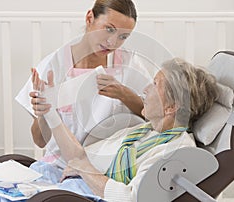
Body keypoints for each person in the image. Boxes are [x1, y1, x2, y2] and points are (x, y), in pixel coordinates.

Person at [0, 58, 218, 201]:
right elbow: (79, 158)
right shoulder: (143, 133)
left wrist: (83, 168)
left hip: (71, 196)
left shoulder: (175, 150)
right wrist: (50, 111)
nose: (145, 90)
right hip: (58, 182)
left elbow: (128, 198)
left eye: (155, 84)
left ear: (172, 106)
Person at [15, 0, 154, 170]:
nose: (112, 42)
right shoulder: (52, 67)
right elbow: (40, 141)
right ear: (90, 18)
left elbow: (154, 118)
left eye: (122, 37)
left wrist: (123, 94)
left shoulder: (130, 64)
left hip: (107, 167)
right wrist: (45, 112)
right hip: (61, 166)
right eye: (109, 29)